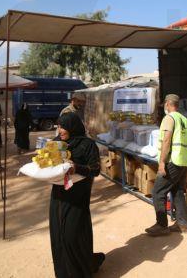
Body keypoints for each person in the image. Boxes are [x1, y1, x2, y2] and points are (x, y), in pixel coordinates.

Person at [50, 112, 105, 277]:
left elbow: (95, 169)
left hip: (77, 196)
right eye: (58, 126)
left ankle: (82, 270)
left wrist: (77, 168)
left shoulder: (87, 145)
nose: (60, 130)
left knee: (73, 234)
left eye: (63, 126)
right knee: (58, 234)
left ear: (73, 127)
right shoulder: (56, 143)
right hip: (58, 195)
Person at [145, 94, 187, 236]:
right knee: (177, 190)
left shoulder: (169, 118)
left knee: (157, 192)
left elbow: (166, 140)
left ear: (167, 104)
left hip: (173, 161)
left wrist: (161, 163)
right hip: (184, 161)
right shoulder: (185, 120)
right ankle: (183, 224)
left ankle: (162, 226)